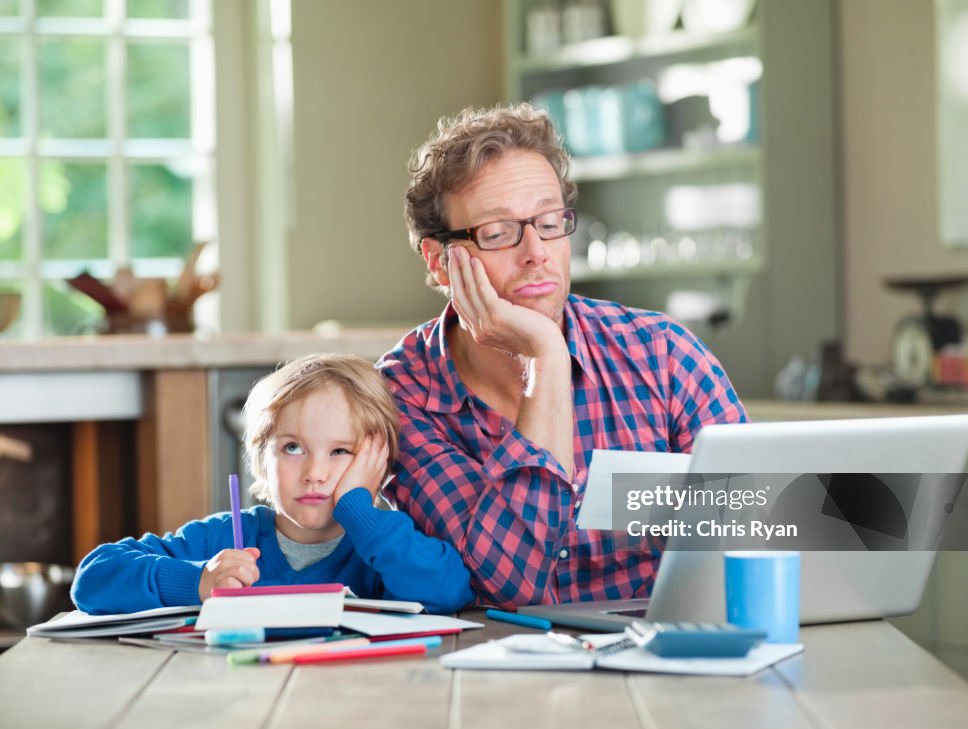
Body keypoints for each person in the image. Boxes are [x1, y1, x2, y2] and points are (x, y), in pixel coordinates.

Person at [377, 103, 747, 610]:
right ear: (441, 263)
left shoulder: (664, 354)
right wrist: (547, 358)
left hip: (666, 655)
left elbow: (757, 533)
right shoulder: (401, 397)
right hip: (495, 670)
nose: (537, 252)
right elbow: (513, 584)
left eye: (550, 222)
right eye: (499, 232)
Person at [72, 354, 474, 616]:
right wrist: (197, 581)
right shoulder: (224, 538)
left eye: (340, 452)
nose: (315, 472)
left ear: (378, 465)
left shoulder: (383, 546)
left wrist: (359, 510)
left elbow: (447, 591)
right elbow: (93, 579)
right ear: (260, 460)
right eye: (293, 447)